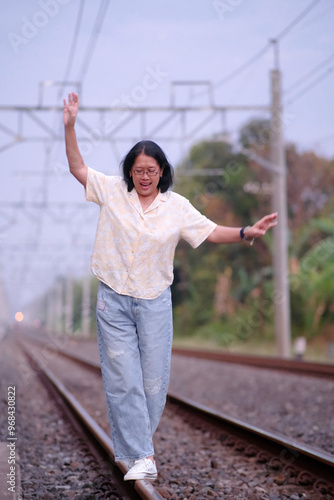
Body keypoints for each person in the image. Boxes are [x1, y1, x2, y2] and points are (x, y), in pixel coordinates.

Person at [63, 92, 278, 481]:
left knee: (152, 383)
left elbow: (211, 231)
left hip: (154, 302)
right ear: (130, 170)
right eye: (139, 170)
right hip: (113, 299)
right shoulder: (112, 192)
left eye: (152, 170)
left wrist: (248, 231)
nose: (145, 177)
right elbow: (77, 166)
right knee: (122, 379)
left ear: (162, 172)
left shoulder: (176, 207)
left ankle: (135, 444)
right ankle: (142, 455)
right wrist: (70, 126)